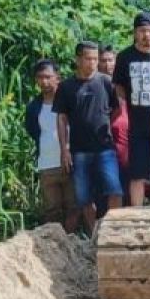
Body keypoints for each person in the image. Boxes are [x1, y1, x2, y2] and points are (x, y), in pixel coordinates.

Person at [54, 40, 123, 233]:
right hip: (79, 150)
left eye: (95, 59)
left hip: (105, 147)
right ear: (78, 59)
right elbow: (61, 118)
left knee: (115, 190)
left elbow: (116, 111)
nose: (92, 63)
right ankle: (95, 235)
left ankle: (112, 230)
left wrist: (104, 125)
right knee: (84, 198)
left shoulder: (105, 82)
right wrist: (64, 149)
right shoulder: (66, 86)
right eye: (88, 58)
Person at [113, 13, 150, 207]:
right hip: (138, 126)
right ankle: (136, 212)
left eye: (149, 30)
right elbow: (119, 85)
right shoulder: (125, 57)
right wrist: (126, 104)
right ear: (135, 34)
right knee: (137, 173)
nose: (146, 35)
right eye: (141, 31)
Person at [25, 60, 78, 233]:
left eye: (48, 77)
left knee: (73, 206)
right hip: (47, 164)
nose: (44, 82)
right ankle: (54, 245)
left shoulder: (70, 101)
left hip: (70, 162)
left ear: (58, 78)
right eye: (40, 78)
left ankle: (70, 242)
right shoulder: (34, 107)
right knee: (51, 209)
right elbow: (33, 130)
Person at [99, 45, 129, 188]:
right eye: (103, 61)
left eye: (110, 60)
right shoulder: (95, 87)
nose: (107, 65)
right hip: (104, 147)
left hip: (127, 146)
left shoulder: (125, 84)